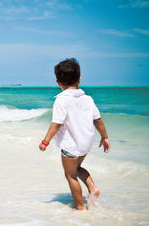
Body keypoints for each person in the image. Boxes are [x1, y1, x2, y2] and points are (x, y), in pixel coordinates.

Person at [39, 58, 110, 210]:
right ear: (80, 79)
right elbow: (97, 120)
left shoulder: (61, 101)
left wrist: (45, 141)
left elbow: (56, 124)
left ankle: (80, 207)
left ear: (58, 82)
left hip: (70, 146)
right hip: (86, 143)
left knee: (70, 175)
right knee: (77, 169)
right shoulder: (88, 99)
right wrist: (104, 137)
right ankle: (92, 188)